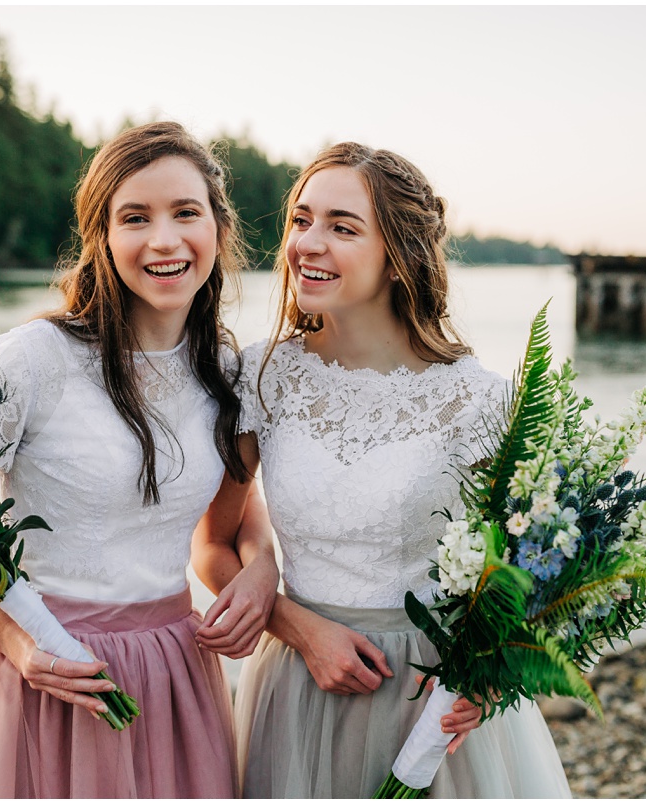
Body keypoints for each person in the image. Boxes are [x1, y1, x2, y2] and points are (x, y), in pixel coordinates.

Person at [195, 142, 572, 797]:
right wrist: (296, 626)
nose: (309, 243)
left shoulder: (479, 400)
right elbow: (212, 546)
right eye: (301, 220)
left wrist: (494, 676)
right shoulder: (261, 376)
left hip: (433, 699)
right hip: (299, 689)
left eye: (342, 228)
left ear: (399, 257)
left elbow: (534, 570)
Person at [0, 122, 278, 798]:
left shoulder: (227, 372)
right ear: (102, 237)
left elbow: (234, 506)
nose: (164, 240)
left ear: (219, 228)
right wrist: (19, 644)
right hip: (47, 674)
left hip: (174, 676)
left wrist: (262, 569)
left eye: (185, 213)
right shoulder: (33, 359)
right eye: (135, 218)